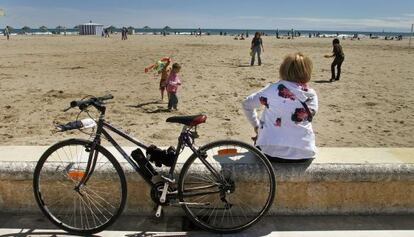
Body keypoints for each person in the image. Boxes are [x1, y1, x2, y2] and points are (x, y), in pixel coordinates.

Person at [242, 52, 318, 163]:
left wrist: (256, 126)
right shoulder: (311, 95)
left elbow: (246, 104)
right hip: (304, 153)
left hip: (269, 152)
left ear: (283, 70)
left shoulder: (272, 89)